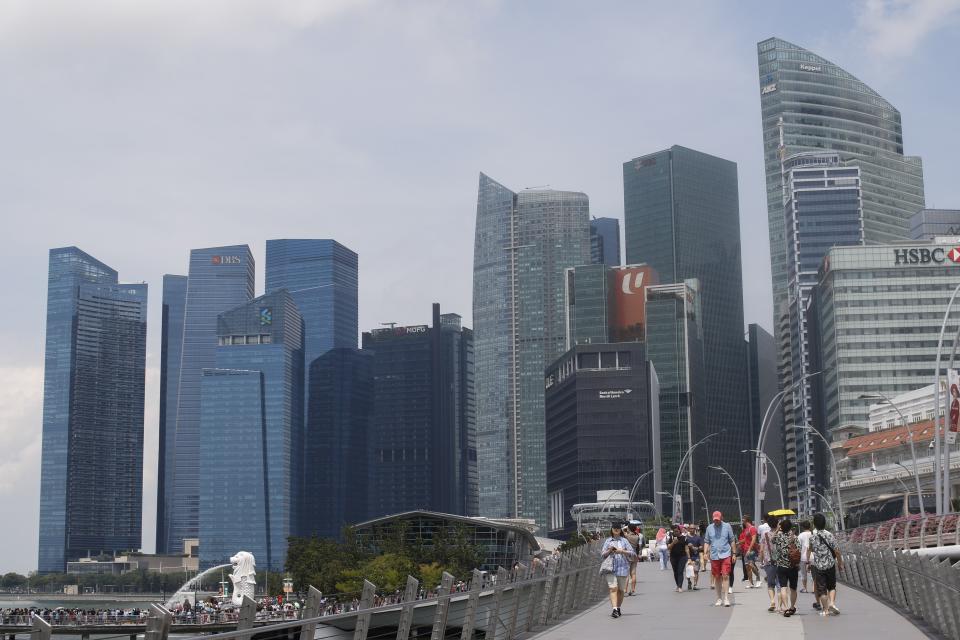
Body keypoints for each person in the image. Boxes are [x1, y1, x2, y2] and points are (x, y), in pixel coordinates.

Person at [808, 512, 842, 616]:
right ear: (824, 523)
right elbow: (837, 551)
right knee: (832, 587)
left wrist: (809, 562)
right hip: (830, 565)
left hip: (819, 566)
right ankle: (832, 603)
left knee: (822, 590)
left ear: (814, 524)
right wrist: (840, 563)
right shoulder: (829, 535)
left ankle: (826, 610)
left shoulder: (812, 537)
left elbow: (810, 550)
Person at [601, 524, 636, 618]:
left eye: (618, 528)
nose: (616, 530)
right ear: (611, 530)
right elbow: (602, 555)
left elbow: (632, 553)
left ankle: (618, 607)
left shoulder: (624, 541)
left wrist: (622, 551)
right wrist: (609, 550)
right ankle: (614, 609)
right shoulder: (608, 541)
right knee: (613, 588)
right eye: (614, 528)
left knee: (621, 590)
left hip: (623, 567)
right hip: (610, 568)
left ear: (620, 530)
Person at [703, 510, 736, 607]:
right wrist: (705, 553)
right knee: (717, 577)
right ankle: (718, 598)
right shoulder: (709, 528)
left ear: (721, 518)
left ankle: (726, 598)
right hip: (714, 555)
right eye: (714, 520)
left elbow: (732, 540)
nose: (716, 521)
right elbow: (706, 541)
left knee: (725, 575)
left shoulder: (727, 526)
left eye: (717, 520)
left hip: (726, 554)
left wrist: (734, 554)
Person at [771, 517, 800, 617]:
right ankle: (792, 607)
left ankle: (786, 607)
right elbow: (798, 550)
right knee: (793, 588)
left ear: (782, 527)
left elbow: (771, 539)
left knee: (783, 587)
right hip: (792, 566)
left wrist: (778, 529)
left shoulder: (778, 537)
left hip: (781, 566)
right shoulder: (794, 537)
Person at [758, 513, 780, 612]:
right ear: (777, 523)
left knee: (770, 584)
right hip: (780, 562)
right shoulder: (781, 534)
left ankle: (772, 601)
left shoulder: (765, 535)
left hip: (768, 562)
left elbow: (761, 550)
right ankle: (780, 604)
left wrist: (761, 561)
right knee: (780, 584)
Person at [738, 516, 759, 588]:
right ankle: (751, 583)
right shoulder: (746, 529)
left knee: (751, 564)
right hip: (745, 550)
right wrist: (739, 543)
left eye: (743, 519)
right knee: (747, 567)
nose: (742, 520)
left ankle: (758, 577)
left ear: (747, 520)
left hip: (751, 550)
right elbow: (746, 539)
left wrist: (749, 549)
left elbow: (754, 539)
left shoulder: (752, 528)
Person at [668, 524, 689, 592]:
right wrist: (673, 543)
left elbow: (686, 548)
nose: (676, 532)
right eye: (674, 531)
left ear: (680, 531)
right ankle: (677, 585)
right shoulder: (671, 538)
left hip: (682, 557)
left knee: (680, 571)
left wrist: (689, 558)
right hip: (673, 557)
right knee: (675, 572)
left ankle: (680, 586)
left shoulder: (684, 538)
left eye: (677, 531)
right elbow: (668, 548)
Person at [624, 523, 641, 596]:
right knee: (633, 574)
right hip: (634, 555)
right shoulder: (637, 536)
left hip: (627, 555)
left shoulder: (627, 536)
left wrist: (625, 529)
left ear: (629, 529)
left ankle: (625, 590)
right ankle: (633, 590)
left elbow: (621, 531)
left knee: (626, 574)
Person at [686, 524, 703, 590]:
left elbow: (701, 546)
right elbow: (683, 547)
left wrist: (697, 548)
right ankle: (689, 582)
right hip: (688, 557)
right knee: (688, 571)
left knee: (696, 571)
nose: (692, 530)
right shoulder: (686, 538)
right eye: (690, 528)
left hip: (696, 557)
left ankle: (695, 584)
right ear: (688, 529)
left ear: (695, 529)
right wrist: (687, 545)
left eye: (693, 528)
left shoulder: (698, 537)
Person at [797, 520, 812, 593]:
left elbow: (798, 547)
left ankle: (805, 588)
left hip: (803, 557)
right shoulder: (813, 534)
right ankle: (813, 588)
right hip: (813, 556)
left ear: (802, 527)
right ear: (810, 526)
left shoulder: (800, 535)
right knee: (813, 573)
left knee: (803, 573)